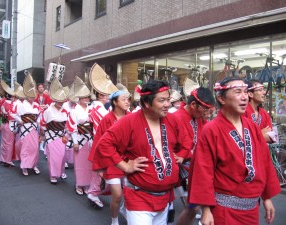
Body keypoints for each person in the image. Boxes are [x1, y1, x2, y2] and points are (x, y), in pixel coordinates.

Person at [92, 80, 191, 225]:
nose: (167, 104)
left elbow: (186, 140)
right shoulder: (129, 122)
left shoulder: (172, 120)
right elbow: (104, 144)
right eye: (162, 100)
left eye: (168, 99)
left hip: (165, 197)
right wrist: (124, 166)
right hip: (139, 198)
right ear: (146, 103)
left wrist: (182, 155)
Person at [188, 77, 281, 225]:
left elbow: (265, 162)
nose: (244, 97)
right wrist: (206, 210)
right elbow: (202, 171)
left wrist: (267, 198)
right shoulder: (211, 129)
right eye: (237, 92)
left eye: (245, 92)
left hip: (251, 209)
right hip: (223, 210)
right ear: (221, 98)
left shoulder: (252, 127)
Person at [175, 87, 215, 225]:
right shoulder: (176, 118)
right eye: (205, 110)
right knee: (193, 205)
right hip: (181, 166)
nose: (207, 114)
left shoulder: (199, 118)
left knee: (192, 206)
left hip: (194, 164)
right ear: (193, 105)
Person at [90, 89, 130, 225]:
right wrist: (99, 166)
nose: (127, 102)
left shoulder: (131, 117)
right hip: (112, 161)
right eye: (123, 99)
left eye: (128, 99)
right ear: (114, 102)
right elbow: (99, 143)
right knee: (117, 195)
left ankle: (124, 210)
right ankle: (114, 220)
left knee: (131, 194)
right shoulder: (107, 119)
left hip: (129, 161)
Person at [87, 63, 118, 207]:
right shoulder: (99, 110)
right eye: (106, 94)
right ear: (100, 95)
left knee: (105, 170)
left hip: (101, 142)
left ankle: (95, 192)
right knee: (101, 170)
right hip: (101, 143)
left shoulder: (100, 108)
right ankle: (93, 193)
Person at [66, 76, 93, 194]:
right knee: (80, 164)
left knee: (89, 164)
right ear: (79, 98)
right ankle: (79, 184)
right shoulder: (74, 110)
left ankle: (87, 184)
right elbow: (72, 128)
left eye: (87, 97)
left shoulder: (91, 108)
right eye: (84, 97)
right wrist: (75, 142)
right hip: (80, 139)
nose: (86, 99)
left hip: (90, 139)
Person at [40, 78, 69, 184]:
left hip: (61, 136)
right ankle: (53, 175)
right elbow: (43, 124)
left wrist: (67, 132)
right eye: (59, 101)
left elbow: (67, 124)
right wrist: (44, 135)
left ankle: (61, 172)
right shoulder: (48, 111)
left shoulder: (65, 110)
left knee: (62, 156)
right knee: (53, 156)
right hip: (51, 136)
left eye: (62, 101)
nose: (61, 103)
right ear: (55, 100)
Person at [14, 74, 41, 176]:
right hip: (25, 128)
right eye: (30, 95)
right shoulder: (21, 105)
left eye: (34, 95)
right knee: (25, 147)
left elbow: (39, 115)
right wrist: (19, 120)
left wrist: (38, 121)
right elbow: (14, 115)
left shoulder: (37, 105)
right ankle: (24, 166)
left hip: (34, 128)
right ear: (26, 95)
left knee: (34, 147)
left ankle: (34, 164)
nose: (32, 97)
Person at [0, 80, 16, 167]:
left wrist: (1, 123)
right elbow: (12, 116)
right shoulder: (11, 104)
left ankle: (3, 158)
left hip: (4, 124)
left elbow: (1, 114)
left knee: (4, 142)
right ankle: (7, 160)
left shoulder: (4, 103)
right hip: (10, 125)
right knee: (9, 143)